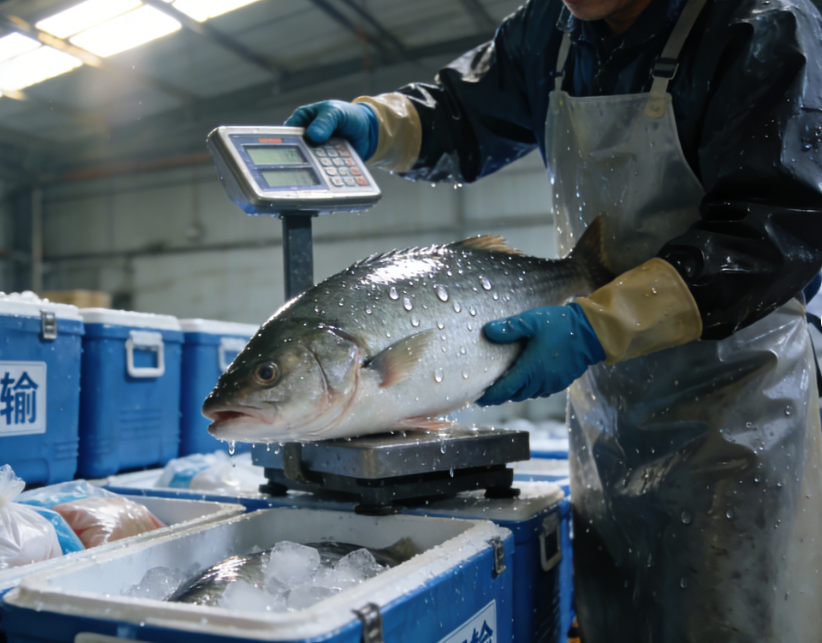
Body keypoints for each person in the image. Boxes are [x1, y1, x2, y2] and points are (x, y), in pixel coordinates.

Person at [285, 0, 822, 638]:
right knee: (612, 619)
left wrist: (598, 324)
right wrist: (379, 122)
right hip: (608, 414)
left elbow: (778, 225)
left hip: (739, 410)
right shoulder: (554, 30)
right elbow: (461, 110)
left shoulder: (764, 24)